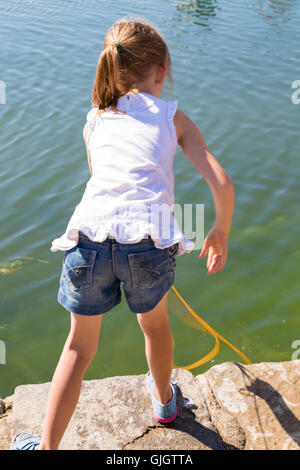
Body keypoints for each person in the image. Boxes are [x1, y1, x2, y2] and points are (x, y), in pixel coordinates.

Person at [12, 16, 234, 450]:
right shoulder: (174, 117)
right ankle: (166, 404)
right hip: (148, 247)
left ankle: (46, 446)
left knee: (77, 348)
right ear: (161, 72)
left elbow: (104, 180)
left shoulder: (94, 118)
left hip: (89, 241)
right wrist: (219, 231)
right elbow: (221, 183)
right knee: (155, 329)